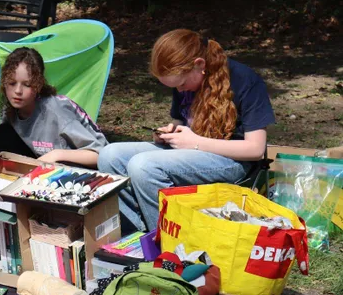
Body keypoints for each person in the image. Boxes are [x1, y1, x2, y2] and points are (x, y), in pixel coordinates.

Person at [98, 29, 275, 233]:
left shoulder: (246, 81)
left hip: (233, 161)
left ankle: (169, 242)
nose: (180, 90)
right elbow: (181, 121)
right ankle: (137, 234)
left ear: (199, 65)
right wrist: (169, 132)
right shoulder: (185, 81)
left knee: (144, 166)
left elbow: (255, 149)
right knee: (110, 155)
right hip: (194, 151)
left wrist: (195, 142)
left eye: (181, 84)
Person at [0, 47, 108, 166]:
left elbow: (99, 155)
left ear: (39, 84)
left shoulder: (56, 111)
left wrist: (57, 154)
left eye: (27, 84)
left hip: (90, 171)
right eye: (12, 83)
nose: (18, 91)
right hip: (45, 169)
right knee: (1, 135)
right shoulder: (10, 109)